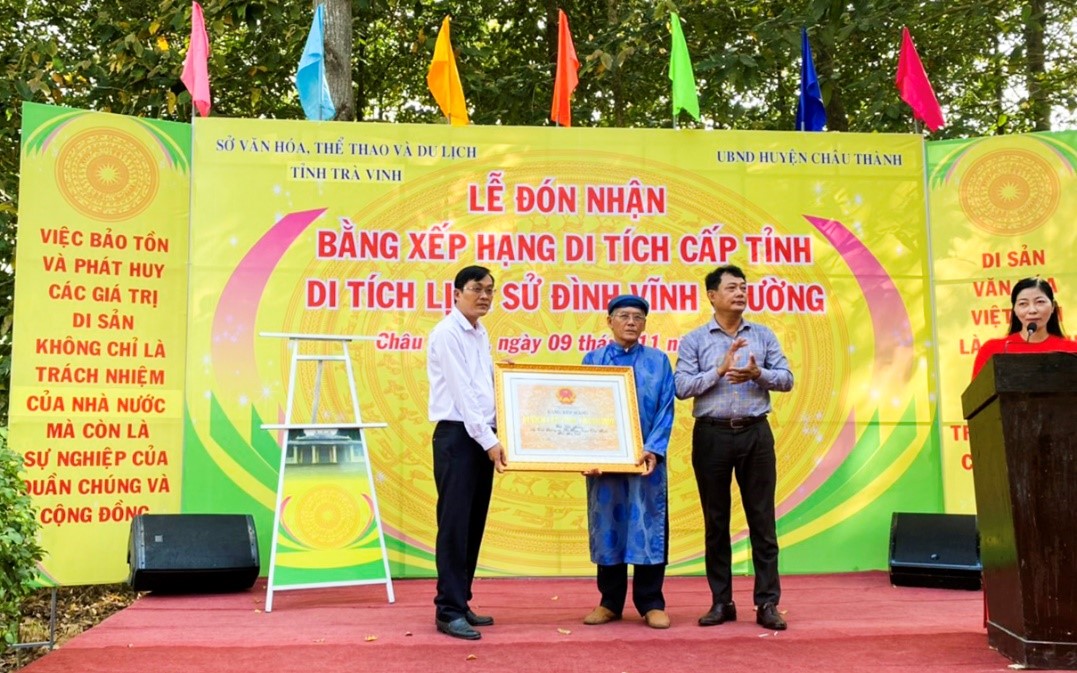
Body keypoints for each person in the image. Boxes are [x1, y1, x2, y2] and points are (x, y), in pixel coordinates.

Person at [673, 264, 794, 631]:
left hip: (755, 433)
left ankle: (767, 603)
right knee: (716, 522)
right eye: (731, 288)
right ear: (712, 296)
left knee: (762, 521)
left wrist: (759, 375)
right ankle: (721, 602)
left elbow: (787, 379)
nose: (740, 293)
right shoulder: (694, 340)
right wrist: (718, 371)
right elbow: (681, 387)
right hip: (712, 435)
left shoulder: (764, 335)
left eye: (743, 287)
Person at [580, 295, 676, 630]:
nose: (631, 322)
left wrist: (653, 449)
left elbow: (666, 408)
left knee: (648, 525)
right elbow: (581, 411)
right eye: (623, 316)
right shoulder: (593, 360)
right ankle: (610, 602)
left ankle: (651, 602)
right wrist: (586, 453)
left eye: (638, 317)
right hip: (604, 463)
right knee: (608, 526)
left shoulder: (658, 361)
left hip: (645, 461)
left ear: (645, 323)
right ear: (609, 321)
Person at [427, 265, 508, 640]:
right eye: (477, 288)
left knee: (473, 524)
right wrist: (489, 441)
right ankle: (448, 610)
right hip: (459, 436)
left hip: (480, 435)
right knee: (455, 525)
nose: (485, 296)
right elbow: (462, 395)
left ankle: (461, 601)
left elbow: (482, 387)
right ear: (457, 293)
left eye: (490, 289)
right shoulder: (447, 333)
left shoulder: (479, 332)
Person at [971, 276, 1077, 378]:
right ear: (1014, 309)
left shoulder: (1072, 350)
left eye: (1040, 302)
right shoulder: (993, 349)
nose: (1032, 310)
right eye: (1023, 304)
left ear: (1052, 307)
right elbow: (979, 390)